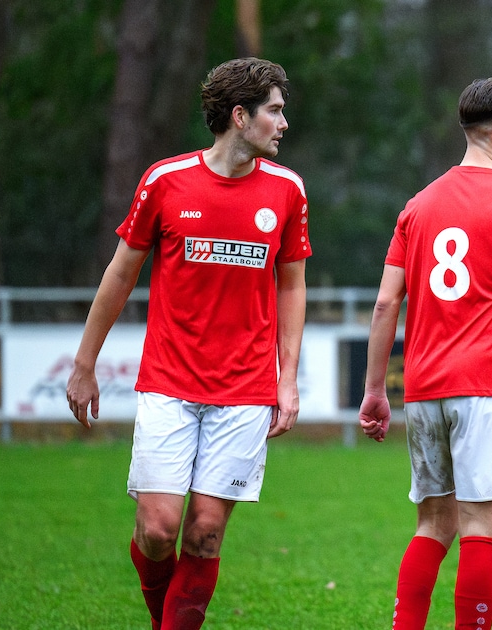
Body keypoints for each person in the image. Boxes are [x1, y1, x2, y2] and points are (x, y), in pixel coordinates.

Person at [65, 57, 310, 629]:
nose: (283, 123)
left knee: (204, 532)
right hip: (169, 383)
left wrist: (287, 376)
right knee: (156, 530)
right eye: (274, 111)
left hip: (245, 390)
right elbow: (120, 274)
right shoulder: (164, 181)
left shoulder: (288, 191)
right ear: (240, 116)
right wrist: (84, 362)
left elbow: (292, 284)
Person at [358, 76, 492, 630]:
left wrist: (375, 391)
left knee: (432, 524)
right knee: (481, 527)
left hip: (425, 387)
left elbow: (386, 305)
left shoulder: (419, 204)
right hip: (485, 386)